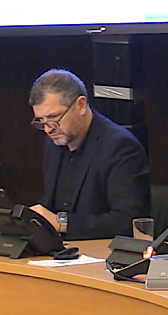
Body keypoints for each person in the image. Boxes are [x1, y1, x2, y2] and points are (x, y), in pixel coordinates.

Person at [28, 69, 150, 240]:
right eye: (41, 121)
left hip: (101, 254)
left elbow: (128, 220)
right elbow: (52, 205)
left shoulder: (120, 146)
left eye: (54, 117)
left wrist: (61, 222)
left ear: (80, 105)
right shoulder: (55, 142)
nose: (48, 129)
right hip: (62, 253)